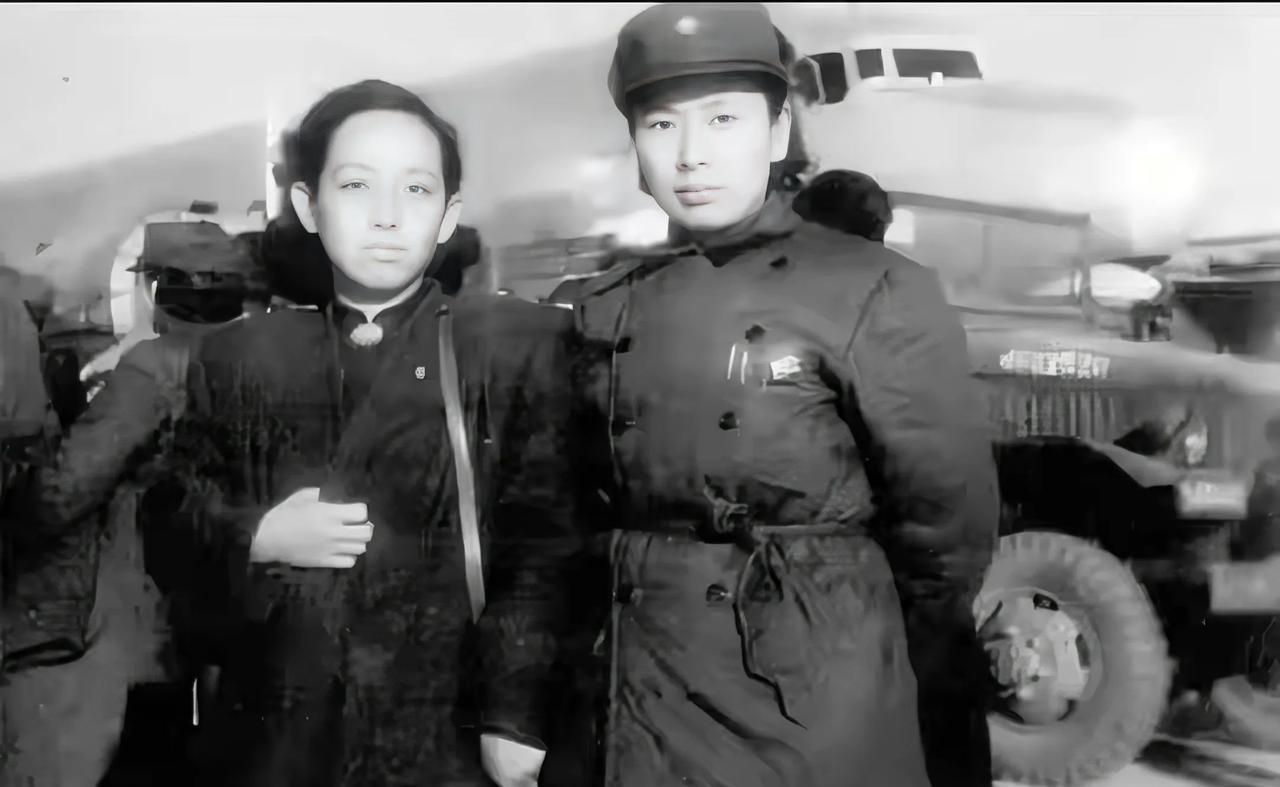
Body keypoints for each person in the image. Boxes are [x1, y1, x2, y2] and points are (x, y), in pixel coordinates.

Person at [562, 4, 1000, 786]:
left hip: (803, 704)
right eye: (660, 125)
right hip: (635, 697)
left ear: (776, 133)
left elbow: (945, 529)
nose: (691, 155)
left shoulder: (874, 288)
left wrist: (863, 655)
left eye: (723, 118)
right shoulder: (603, 306)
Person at [143, 79, 576, 787]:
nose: (386, 217)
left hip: (447, 727)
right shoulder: (243, 356)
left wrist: (515, 716)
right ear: (309, 206)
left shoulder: (512, 347)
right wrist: (256, 535)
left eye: (416, 190)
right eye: (355, 186)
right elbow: (168, 513)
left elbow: (547, 547)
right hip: (282, 730)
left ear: (448, 215)